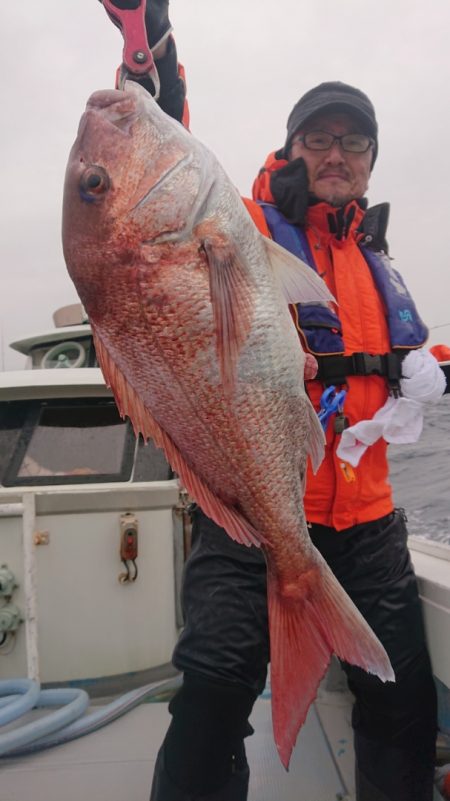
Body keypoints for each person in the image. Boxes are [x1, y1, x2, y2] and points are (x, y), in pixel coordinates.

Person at [103, 3, 442, 799]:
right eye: (318, 139)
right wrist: (150, 52)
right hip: (251, 512)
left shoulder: (376, 259)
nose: (336, 154)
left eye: (353, 142)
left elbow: (399, 357)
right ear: (291, 150)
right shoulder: (240, 223)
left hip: (368, 522)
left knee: (402, 702)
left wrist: (439, 368)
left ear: (370, 162)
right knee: (213, 690)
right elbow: (155, 164)